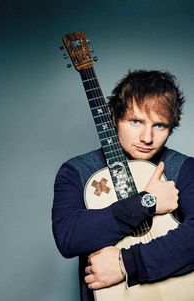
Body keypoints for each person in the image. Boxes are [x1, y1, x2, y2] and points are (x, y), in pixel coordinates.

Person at [52, 70, 194, 301]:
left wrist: (125, 264)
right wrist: (147, 201)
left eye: (160, 126)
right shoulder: (77, 170)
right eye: (135, 121)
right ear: (115, 119)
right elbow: (69, 238)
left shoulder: (184, 168)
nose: (147, 138)